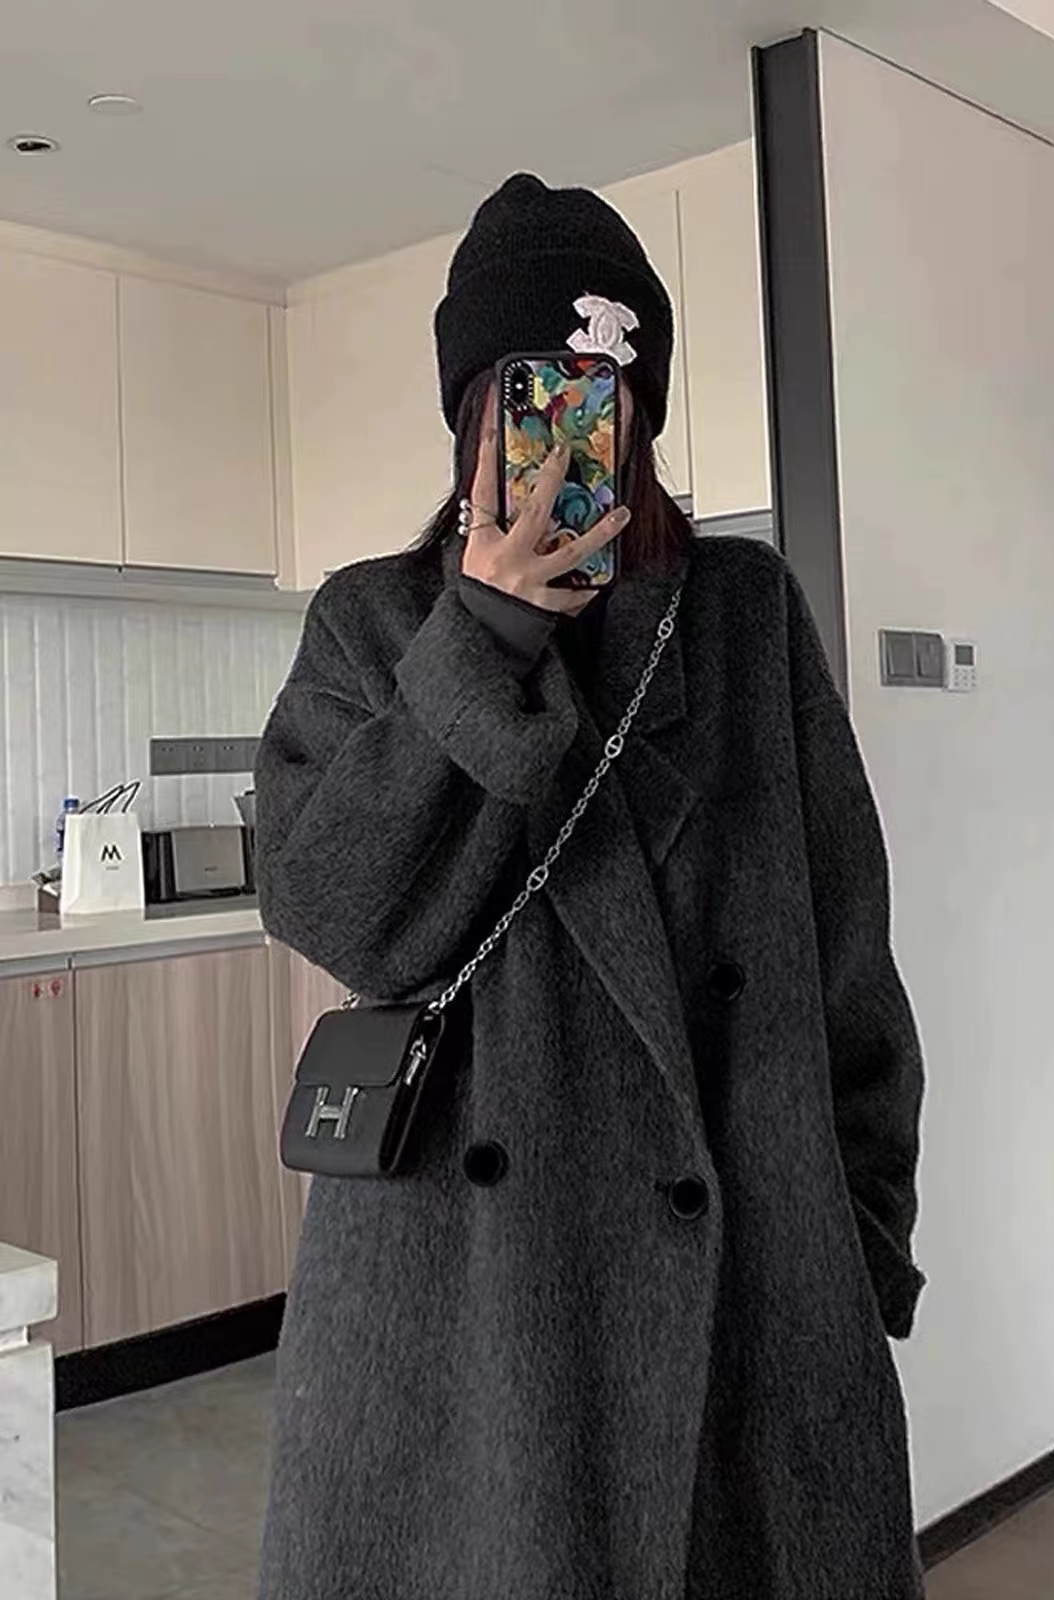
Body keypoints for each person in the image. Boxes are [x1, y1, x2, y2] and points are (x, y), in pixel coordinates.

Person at [254, 172, 927, 1600]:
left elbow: (848, 957)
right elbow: (335, 915)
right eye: (531, 393)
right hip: (477, 1314)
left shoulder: (741, 616)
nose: (573, 429)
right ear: (472, 416)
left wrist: (860, 1242)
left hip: (752, 1284)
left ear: (646, 412)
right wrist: (480, 643)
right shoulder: (374, 622)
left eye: (602, 391)